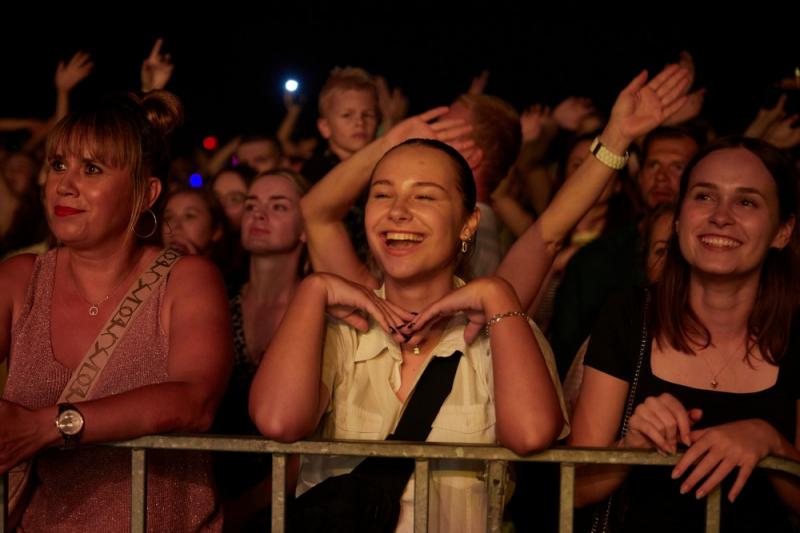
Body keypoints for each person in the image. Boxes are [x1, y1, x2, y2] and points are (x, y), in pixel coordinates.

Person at [250, 133, 567, 531]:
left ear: (468, 223)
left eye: (424, 196)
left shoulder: (505, 330)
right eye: (382, 195)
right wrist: (314, 290)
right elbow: (278, 423)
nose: (397, 211)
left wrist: (498, 293)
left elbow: (531, 435)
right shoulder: (338, 330)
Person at [0, 90, 232, 531]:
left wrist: (47, 426)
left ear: (146, 193)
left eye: (91, 169)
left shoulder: (186, 279)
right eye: (58, 165)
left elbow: (195, 399)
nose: (65, 185)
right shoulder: (19, 280)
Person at [569, 137, 800, 532]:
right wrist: (631, 446)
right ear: (678, 222)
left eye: (746, 202)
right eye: (704, 196)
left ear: (782, 231)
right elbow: (574, 489)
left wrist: (772, 443)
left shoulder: (797, 332)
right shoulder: (629, 316)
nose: (721, 216)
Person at [213, 168, 308, 531]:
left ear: (306, 227)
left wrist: (244, 508)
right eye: (251, 205)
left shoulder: (319, 311)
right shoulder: (216, 301)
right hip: (211, 491)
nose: (259, 215)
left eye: (278, 206)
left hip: (292, 507)